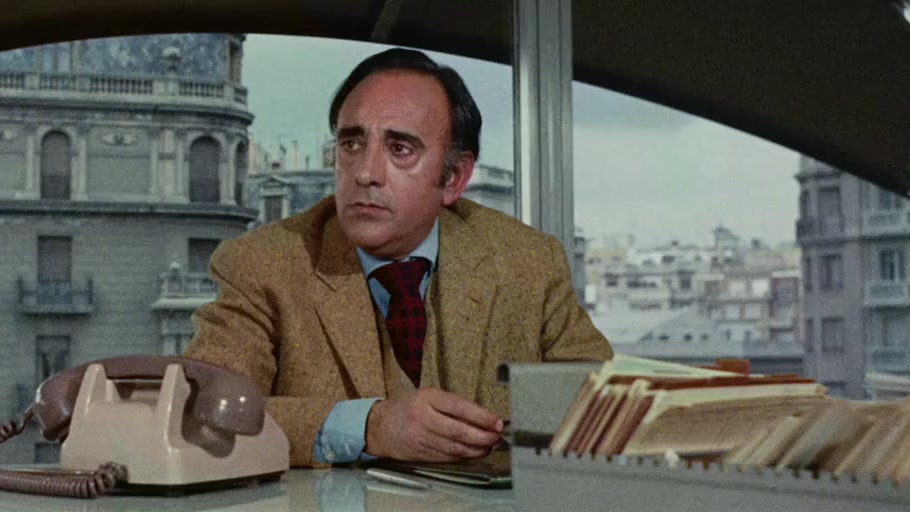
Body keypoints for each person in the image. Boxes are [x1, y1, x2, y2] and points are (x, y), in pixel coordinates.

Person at [183, 48, 612, 467]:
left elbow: (608, 410)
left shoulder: (527, 261)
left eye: (400, 149)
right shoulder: (261, 264)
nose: (365, 173)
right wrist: (370, 427)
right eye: (351, 144)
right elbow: (203, 413)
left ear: (454, 178)